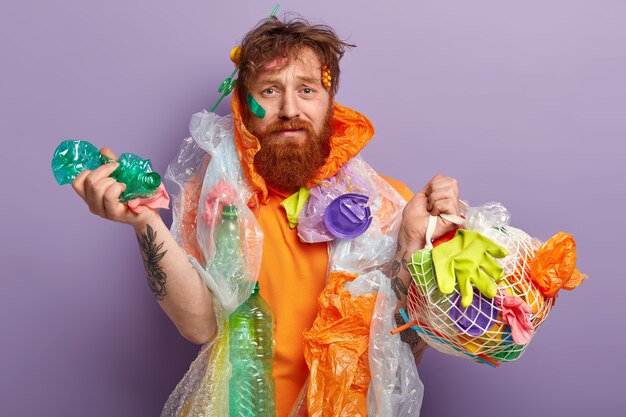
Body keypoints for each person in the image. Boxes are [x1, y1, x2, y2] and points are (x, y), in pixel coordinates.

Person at [71, 16, 460, 417]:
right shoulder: (215, 201)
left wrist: (417, 247)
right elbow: (199, 326)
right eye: (270, 90)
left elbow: (400, 358)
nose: (290, 109)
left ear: (330, 102)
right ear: (243, 105)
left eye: (307, 90)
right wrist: (145, 222)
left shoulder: (388, 205)